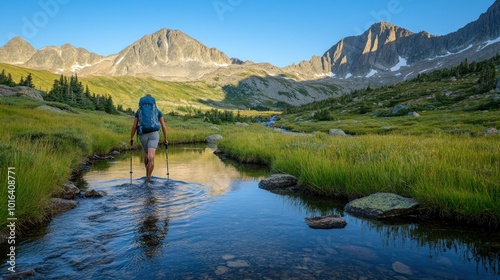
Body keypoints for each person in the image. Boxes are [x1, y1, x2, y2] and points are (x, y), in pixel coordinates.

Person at [130, 94, 168, 182]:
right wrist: (166, 139)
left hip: (143, 134)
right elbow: (164, 127)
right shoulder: (157, 111)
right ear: (153, 103)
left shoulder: (139, 111)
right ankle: (148, 178)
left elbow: (134, 126)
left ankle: (146, 174)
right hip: (154, 134)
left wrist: (131, 138)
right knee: (151, 157)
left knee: (146, 154)